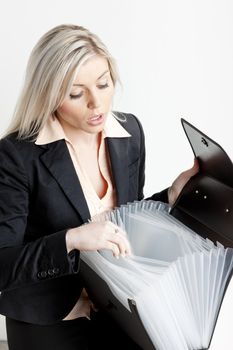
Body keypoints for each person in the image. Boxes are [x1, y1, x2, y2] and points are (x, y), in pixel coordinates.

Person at [0, 24, 199, 350]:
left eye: (103, 84)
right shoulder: (16, 155)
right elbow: (3, 264)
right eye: (76, 93)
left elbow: (128, 220)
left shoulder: (129, 132)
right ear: (48, 96)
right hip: (50, 313)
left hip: (116, 303)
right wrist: (72, 239)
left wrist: (172, 196)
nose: (96, 103)